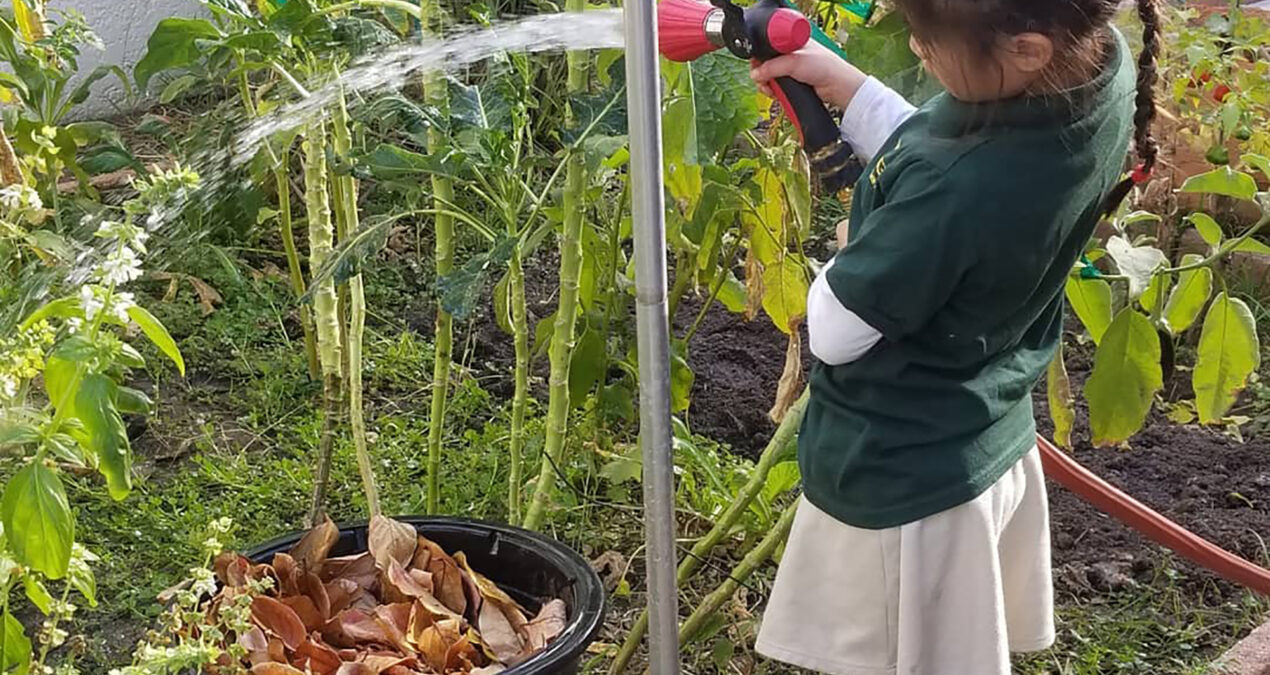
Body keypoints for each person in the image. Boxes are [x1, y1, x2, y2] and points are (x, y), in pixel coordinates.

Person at [747, 0, 1159, 673]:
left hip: (906, 484)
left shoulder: (954, 194)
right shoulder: (1095, 68)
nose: (915, 50)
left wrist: (853, 247)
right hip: (978, 430)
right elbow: (943, 155)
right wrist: (851, 90)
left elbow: (836, 329)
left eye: (928, 40)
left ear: (1027, 49)